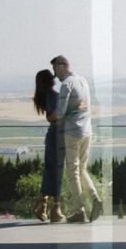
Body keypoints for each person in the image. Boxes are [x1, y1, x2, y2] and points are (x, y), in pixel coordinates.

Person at [51, 55, 102, 223]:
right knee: (82, 169)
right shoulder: (83, 81)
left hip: (72, 132)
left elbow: (60, 112)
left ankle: (79, 210)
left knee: (73, 171)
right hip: (87, 130)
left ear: (61, 66)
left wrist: (54, 116)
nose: (55, 74)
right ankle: (95, 198)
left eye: (55, 69)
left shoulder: (67, 85)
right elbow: (84, 105)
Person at [32, 69, 65, 222]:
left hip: (53, 136)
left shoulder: (46, 95)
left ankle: (43, 206)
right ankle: (54, 208)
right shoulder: (52, 95)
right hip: (58, 136)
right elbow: (51, 115)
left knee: (50, 171)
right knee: (57, 172)